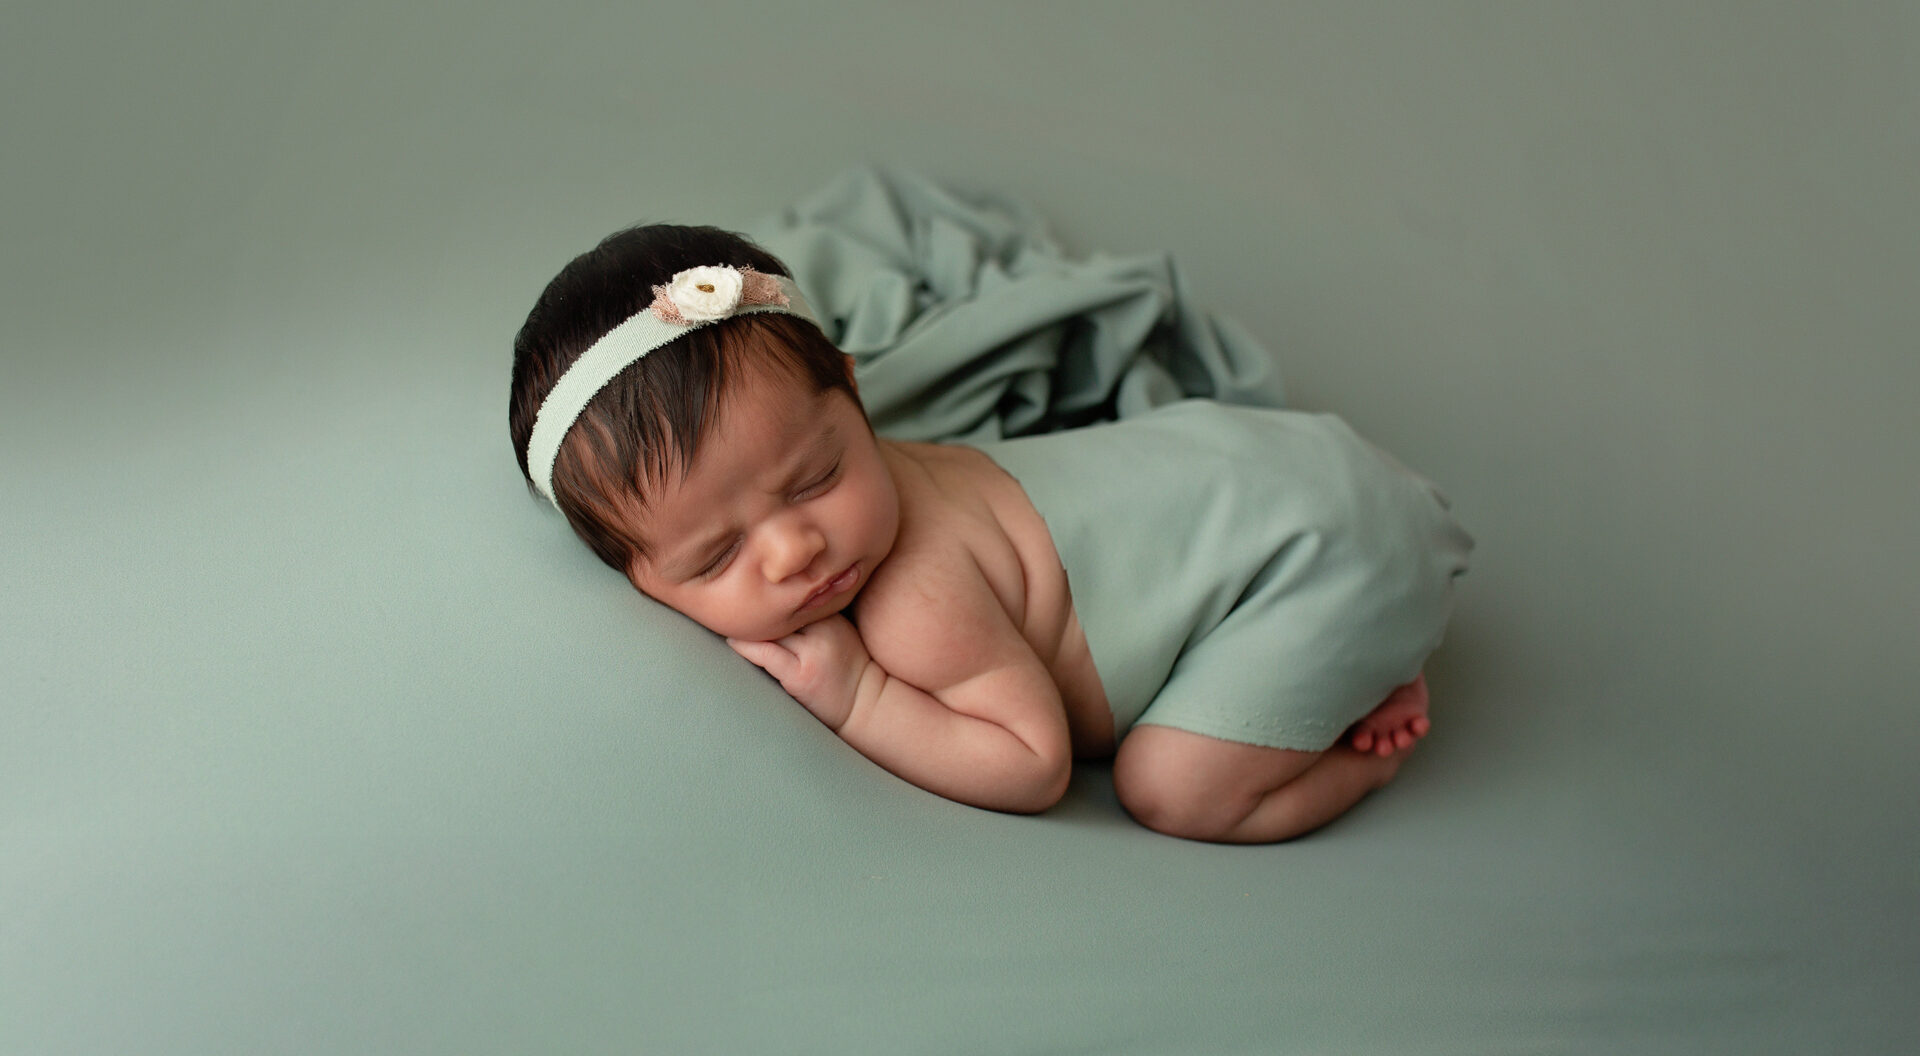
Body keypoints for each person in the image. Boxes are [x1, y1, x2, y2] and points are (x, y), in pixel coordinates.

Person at [509, 223, 1473, 843]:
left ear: (852, 390)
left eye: (819, 476)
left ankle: (1362, 735)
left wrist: (859, 696)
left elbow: (1034, 763)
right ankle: (1357, 638)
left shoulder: (916, 598)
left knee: (1173, 790)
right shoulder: (864, 487)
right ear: (636, 579)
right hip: (1265, 468)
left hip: (1320, 552)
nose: (793, 550)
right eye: (716, 556)